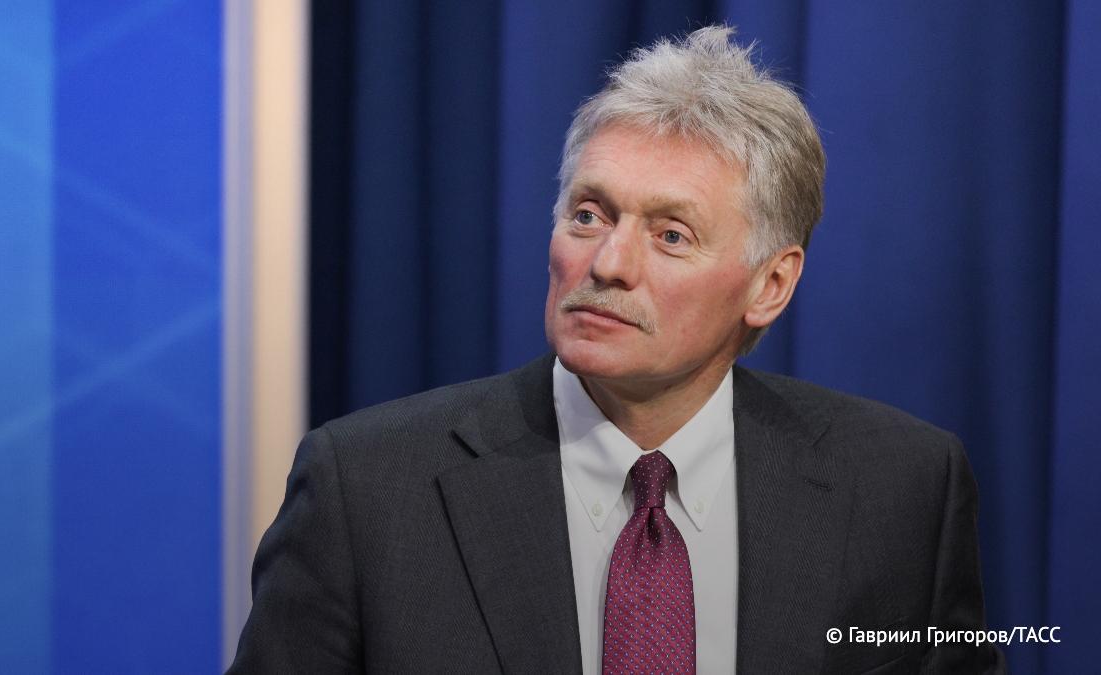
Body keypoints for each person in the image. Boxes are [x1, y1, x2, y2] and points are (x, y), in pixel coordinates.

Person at [229, 26, 1004, 674]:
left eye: (671, 235)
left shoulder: (903, 488)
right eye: (589, 215)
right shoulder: (366, 490)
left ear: (770, 284)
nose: (607, 263)